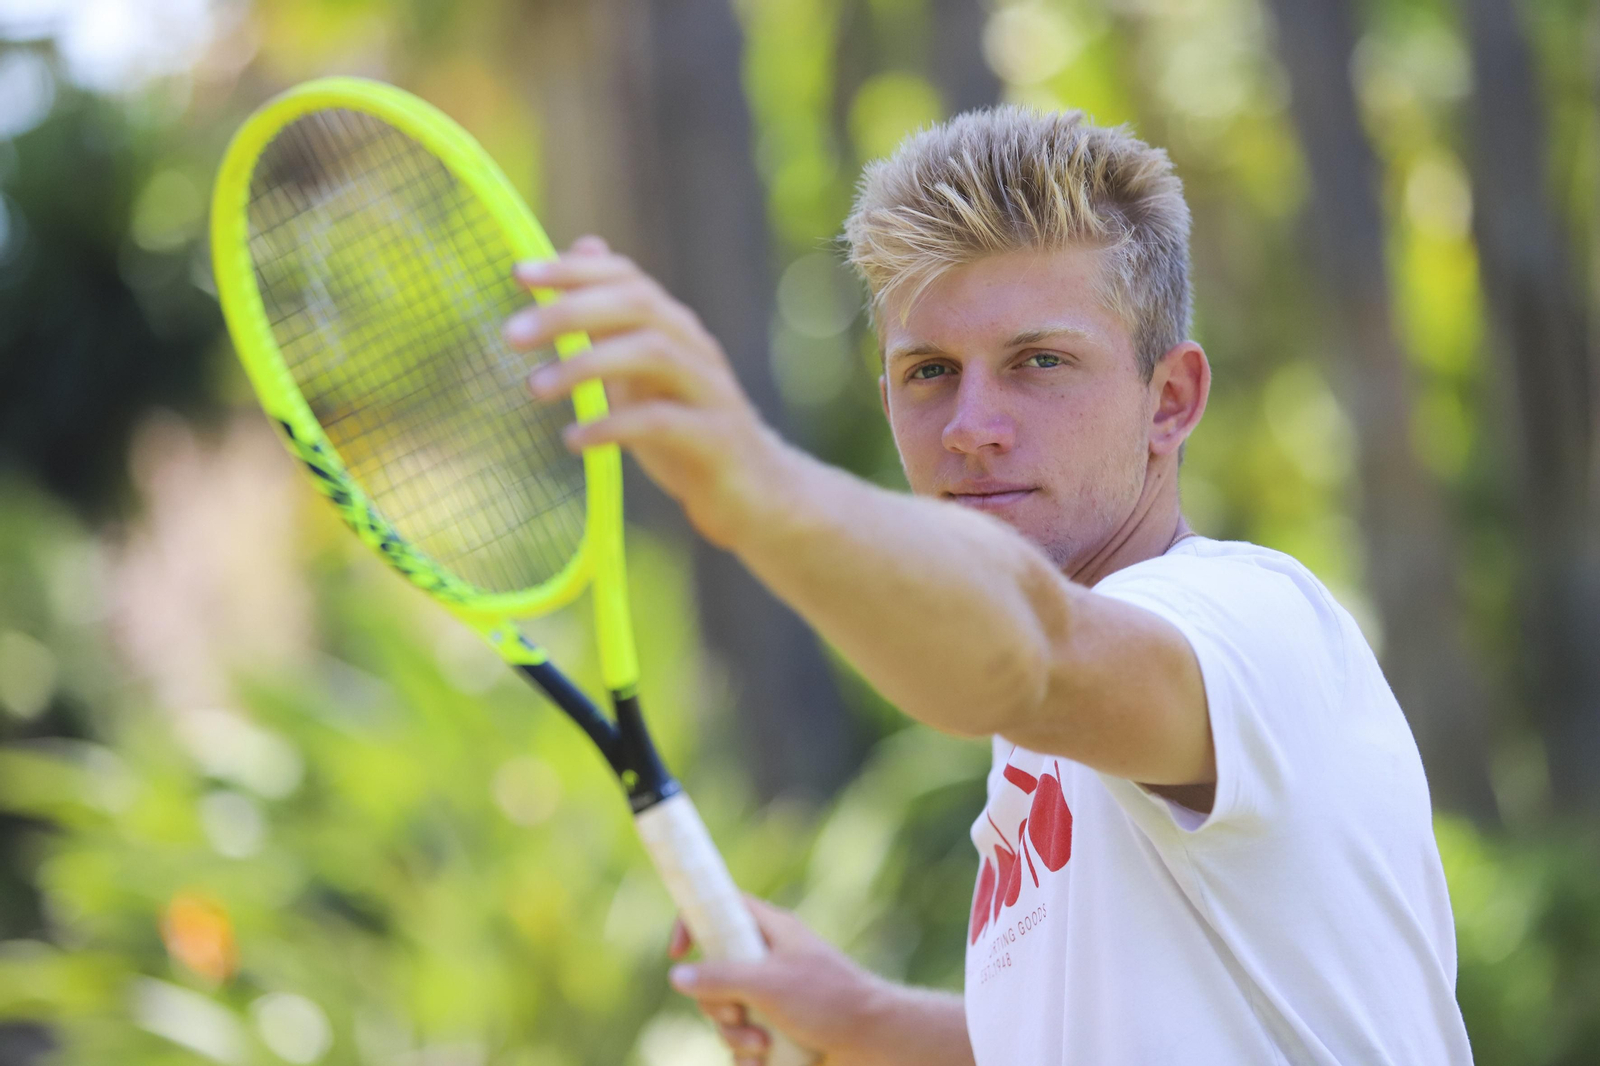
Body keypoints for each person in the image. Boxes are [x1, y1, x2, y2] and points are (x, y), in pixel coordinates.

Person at [502, 107, 1474, 1065]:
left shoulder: (1250, 621)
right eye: (928, 372)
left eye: (1039, 362)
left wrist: (763, 486)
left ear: (1168, 399)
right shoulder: (1054, 734)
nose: (970, 424)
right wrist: (866, 1019)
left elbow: (1030, 653)